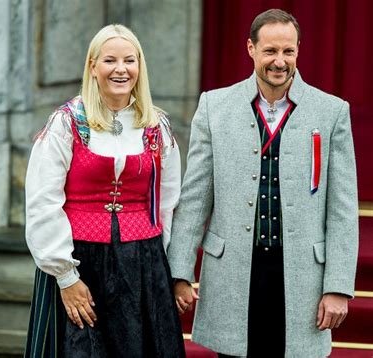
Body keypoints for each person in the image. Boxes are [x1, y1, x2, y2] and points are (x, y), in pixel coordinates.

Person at [168, 9, 358, 358]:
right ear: (251, 49)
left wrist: (338, 287)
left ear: (299, 50)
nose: (279, 62)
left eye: (288, 51)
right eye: (270, 51)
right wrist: (179, 270)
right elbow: (195, 197)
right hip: (232, 273)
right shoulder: (214, 107)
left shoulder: (331, 112)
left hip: (303, 276)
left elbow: (343, 210)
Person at [24, 24, 185, 357]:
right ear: (93, 67)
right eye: (110, 60)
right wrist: (66, 277)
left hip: (142, 264)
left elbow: (169, 201)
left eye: (129, 60)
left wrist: (165, 268)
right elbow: (42, 202)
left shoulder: (155, 125)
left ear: (140, 68)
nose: (121, 69)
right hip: (80, 261)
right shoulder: (67, 122)